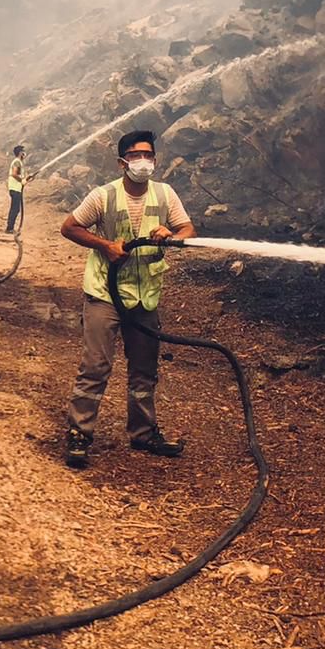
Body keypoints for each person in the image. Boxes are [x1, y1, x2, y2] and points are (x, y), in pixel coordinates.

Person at [59, 129, 195, 469]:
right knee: (96, 367)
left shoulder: (165, 194)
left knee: (145, 371)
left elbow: (187, 229)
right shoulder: (103, 196)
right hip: (106, 293)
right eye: (137, 156)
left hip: (145, 296)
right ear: (123, 162)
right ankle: (79, 434)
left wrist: (171, 234)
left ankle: (144, 433)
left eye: (149, 155)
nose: (144, 161)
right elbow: (70, 227)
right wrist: (105, 246)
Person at [5, 145, 31, 234]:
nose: (24, 153)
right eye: (23, 152)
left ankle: (10, 227)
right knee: (15, 209)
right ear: (20, 153)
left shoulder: (19, 162)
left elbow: (19, 176)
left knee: (15, 208)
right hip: (15, 188)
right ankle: (9, 228)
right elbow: (14, 174)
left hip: (16, 188)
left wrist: (26, 179)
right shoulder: (17, 162)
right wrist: (22, 180)